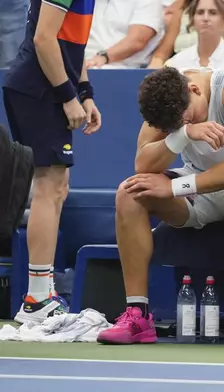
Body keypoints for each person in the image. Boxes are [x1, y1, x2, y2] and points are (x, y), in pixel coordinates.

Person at [96, 66, 224, 347]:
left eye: (185, 118)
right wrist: (184, 133)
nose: (178, 125)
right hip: (202, 186)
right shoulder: (166, 100)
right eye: (172, 126)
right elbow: (142, 164)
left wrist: (176, 187)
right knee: (129, 192)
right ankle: (138, 315)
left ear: (195, 89)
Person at [2, 0, 101, 324]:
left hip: (48, 87)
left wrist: (85, 93)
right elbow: (44, 39)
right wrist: (68, 97)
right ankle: (37, 298)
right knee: (49, 186)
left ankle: (41, 294)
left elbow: (72, 42)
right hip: (38, 88)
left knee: (57, 187)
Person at [164, 0, 224, 70]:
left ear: (223, 20)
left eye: (213, 13)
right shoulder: (178, 61)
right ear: (192, 20)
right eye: (200, 12)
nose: (205, 18)